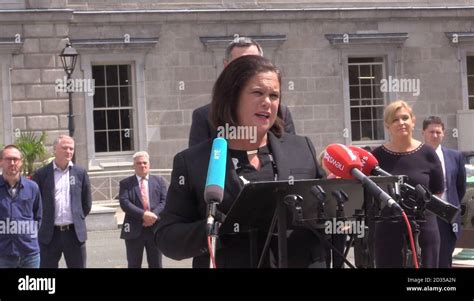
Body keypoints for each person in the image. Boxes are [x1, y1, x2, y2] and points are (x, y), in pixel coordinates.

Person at [155, 55, 326, 268]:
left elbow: (325, 216)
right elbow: (167, 238)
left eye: (274, 95)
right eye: (258, 93)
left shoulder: (301, 149)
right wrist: (216, 230)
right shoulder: (193, 162)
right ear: (231, 97)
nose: (267, 102)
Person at [372, 100, 444, 268]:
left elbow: (437, 191)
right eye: (395, 119)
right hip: (388, 228)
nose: (401, 123)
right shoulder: (377, 156)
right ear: (387, 125)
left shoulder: (428, 153)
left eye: (405, 118)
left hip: (424, 227)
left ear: (413, 121)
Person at [188, 36, 295, 147]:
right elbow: (197, 160)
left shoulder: (280, 112)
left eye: (255, 62)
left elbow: (291, 152)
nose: (249, 70)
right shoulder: (205, 116)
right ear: (226, 66)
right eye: (240, 64)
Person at [33, 135, 92, 268]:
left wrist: (78, 217)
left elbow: (86, 203)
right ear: (54, 150)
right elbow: (36, 203)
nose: (69, 151)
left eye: (71, 148)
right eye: (64, 148)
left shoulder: (80, 173)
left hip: (74, 233)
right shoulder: (42, 174)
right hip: (49, 234)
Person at [422, 115, 466, 268]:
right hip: (424, 216)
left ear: (443, 133)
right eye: (431, 132)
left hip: (447, 217)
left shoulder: (455, 156)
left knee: (444, 260)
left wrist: (452, 207)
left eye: (438, 132)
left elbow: (460, 188)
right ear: (423, 133)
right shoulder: (417, 155)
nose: (435, 135)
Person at [119, 151, 167, 268]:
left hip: (155, 229)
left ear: (149, 164)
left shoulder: (160, 181)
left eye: (145, 163)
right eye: (139, 163)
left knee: (156, 264)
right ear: (134, 166)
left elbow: (165, 201)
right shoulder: (125, 183)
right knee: (134, 264)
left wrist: (152, 216)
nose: (142, 165)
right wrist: (143, 215)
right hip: (134, 230)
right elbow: (124, 203)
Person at [0, 145, 42, 268]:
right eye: (8, 159)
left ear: (21, 162)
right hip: (3, 255)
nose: (12, 163)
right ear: (1, 162)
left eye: (16, 159)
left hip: (30, 255)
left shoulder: (32, 187)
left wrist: (28, 236)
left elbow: (38, 216)